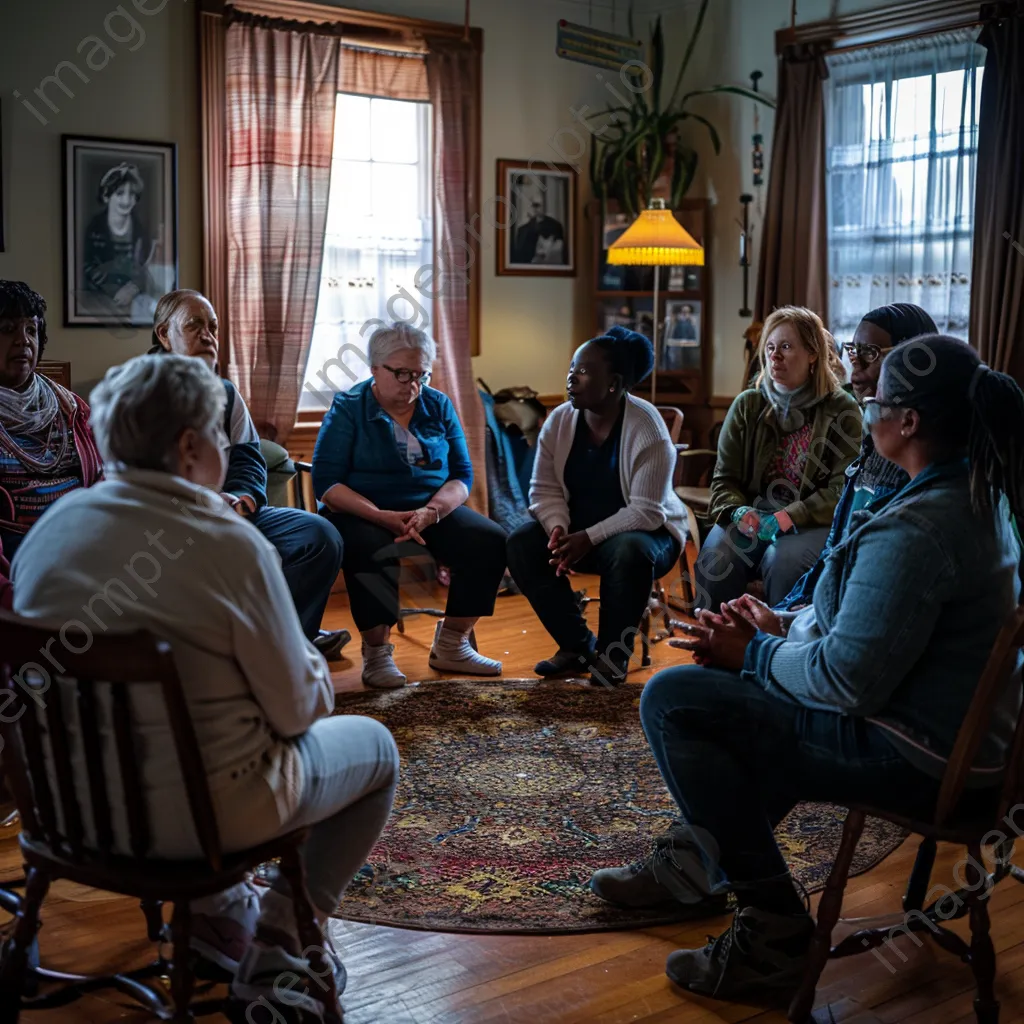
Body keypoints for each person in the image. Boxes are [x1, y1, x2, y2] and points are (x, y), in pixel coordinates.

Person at [593, 335, 1024, 1007]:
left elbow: (848, 682)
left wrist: (753, 654)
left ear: (908, 422)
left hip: (921, 761)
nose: (866, 407)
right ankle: (697, 864)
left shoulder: (920, 527)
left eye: (876, 400)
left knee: (677, 700)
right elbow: (879, 631)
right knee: (728, 700)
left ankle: (772, 934)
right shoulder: (974, 492)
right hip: (956, 746)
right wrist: (779, 625)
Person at [10, 354, 399, 1018]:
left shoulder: (53, 530)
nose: (226, 447)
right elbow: (302, 707)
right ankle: (279, 941)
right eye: (220, 436)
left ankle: (222, 921)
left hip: (67, 816)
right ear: (191, 446)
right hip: (196, 826)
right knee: (377, 752)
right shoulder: (228, 543)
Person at [150, 290, 347, 660]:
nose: (208, 335)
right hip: (172, 520)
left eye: (213, 326)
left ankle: (291, 646)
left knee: (320, 536)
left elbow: (247, 456)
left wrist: (243, 498)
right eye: (195, 325)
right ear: (164, 334)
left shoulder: (225, 392)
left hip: (233, 509)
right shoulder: (141, 390)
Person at [312, 322, 507, 688]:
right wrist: (379, 516)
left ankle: (452, 643)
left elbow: (461, 475)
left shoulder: (438, 404)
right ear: (374, 369)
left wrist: (432, 511)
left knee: (490, 541)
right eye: (401, 373)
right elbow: (326, 483)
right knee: (368, 546)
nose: (413, 385)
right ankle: (377, 652)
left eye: (421, 374)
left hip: (427, 509)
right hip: (362, 511)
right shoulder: (349, 407)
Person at [506, 326, 687, 685]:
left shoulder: (647, 427)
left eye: (584, 371)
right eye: (572, 367)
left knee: (629, 549)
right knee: (523, 544)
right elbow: (543, 488)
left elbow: (648, 512)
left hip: (649, 536)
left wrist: (588, 537)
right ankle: (576, 648)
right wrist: (557, 527)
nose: (572, 377)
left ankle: (612, 656)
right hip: (581, 533)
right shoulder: (559, 420)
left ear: (614, 383)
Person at [693, 305, 862, 611]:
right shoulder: (748, 405)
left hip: (811, 521)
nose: (775, 356)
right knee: (716, 561)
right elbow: (724, 480)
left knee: (782, 563)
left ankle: (777, 650)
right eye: (770, 347)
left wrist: (789, 516)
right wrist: (739, 512)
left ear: (813, 354)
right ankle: (716, 642)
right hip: (752, 514)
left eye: (786, 347)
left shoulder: (843, 410)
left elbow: (842, 490)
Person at [779, 302, 937, 610]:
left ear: (911, 358)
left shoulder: (915, 454)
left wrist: (798, 621)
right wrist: (789, 609)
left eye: (871, 353)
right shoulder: (872, 436)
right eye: (853, 351)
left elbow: (872, 578)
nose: (856, 365)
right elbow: (836, 547)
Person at [0, 280, 103, 609]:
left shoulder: (72, 406)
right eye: (7, 329)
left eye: (31, 330)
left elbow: (104, 478)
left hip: (86, 544)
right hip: (15, 557)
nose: (23, 341)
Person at [82, 163, 157, 320]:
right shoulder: (93, 228)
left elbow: (149, 268)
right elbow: (87, 268)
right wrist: (115, 291)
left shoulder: (141, 231)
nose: (126, 200)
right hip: (99, 301)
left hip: (136, 304)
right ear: (106, 196)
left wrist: (134, 288)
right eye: (120, 193)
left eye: (131, 194)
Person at [512, 191, 566, 265]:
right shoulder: (522, 229)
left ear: (544, 206)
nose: (533, 208)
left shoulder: (555, 225)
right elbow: (519, 253)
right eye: (531, 205)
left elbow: (559, 250)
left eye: (536, 205)